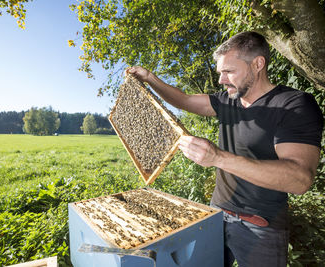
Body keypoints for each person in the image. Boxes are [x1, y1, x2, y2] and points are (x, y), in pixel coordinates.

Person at [127, 31, 323, 267]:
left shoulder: (293, 105)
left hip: (261, 226)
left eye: (228, 71)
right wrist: (150, 78)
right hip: (216, 214)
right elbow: (185, 100)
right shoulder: (227, 100)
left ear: (258, 64)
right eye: (220, 72)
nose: (221, 79)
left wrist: (218, 157)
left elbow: (299, 179)